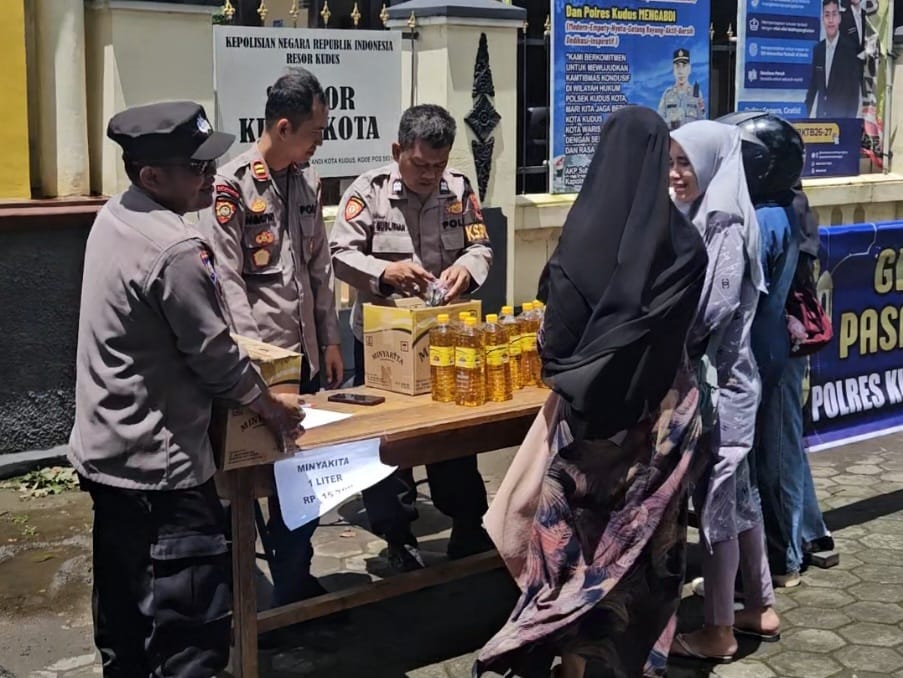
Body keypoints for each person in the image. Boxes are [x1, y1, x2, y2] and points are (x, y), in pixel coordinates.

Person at [68, 101, 305, 677]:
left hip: (109, 458)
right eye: (197, 168)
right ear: (152, 176)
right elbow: (216, 357)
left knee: (126, 626)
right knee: (189, 636)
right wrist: (269, 407)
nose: (211, 177)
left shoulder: (117, 213)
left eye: (211, 164)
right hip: (163, 473)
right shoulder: (175, 249)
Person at [474, 106, 708, 678]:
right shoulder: (687, 247)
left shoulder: (579, 242)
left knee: (575, 554)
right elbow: (688, 340)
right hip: (655, 434)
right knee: (638, 555)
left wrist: (581, 373)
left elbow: (553, 346)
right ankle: (628, 662)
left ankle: (574, 664)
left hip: (584, 436)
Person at [198, 68, 342, 607]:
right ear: (284, 128)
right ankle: (244, 591)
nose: (319, 142)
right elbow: (227, 281)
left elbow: (320, 269)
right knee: (247, 480)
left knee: (304, 476)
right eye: (315, 132)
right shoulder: (231, 187)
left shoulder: (307, 183)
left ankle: (294, 579)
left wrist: (330, 340)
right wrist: (257, 364)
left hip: (304, 359)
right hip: (257, 368)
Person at [329, 104, 494, 572]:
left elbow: (480, 245)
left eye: (438, 165)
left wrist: (467, 269)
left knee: (454, 433)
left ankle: (467, 523)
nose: (429, 175)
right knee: (387, 442)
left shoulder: (458, 189)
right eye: (420, 164)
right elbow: (340, 254)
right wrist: (385, 273)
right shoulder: (368, 191)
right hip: (384, 340)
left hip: (443, 336)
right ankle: (397, 536)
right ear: (397, 150)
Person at [668, 120, 781, 662]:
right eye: (671, 162)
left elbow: (711, 312)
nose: (675, 174)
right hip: (727, 385)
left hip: (724, 389)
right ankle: (759, 605)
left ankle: (718, 631)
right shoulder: (705, 215)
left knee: (716, 505)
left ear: (712, 164)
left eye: (685, 163)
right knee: (738, 498)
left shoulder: (724, 224)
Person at [805, 0, 861, 119]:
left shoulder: (849, 50)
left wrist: (848, 122)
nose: (830, 20)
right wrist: (805, 116)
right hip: (821, 121)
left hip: (841, 121)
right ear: (823, 19)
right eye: (827, 15)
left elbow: (854, 93)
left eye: (834, 14)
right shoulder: (818, 50)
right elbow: (813, 87)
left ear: (839, 18)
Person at [658, 48, 706, 130]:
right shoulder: (667, 94)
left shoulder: (696, 93)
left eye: (684, 66)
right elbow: (659, 121)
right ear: (673, 70)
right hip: (672, 136)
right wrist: (671, 121)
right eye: (677, 66)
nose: (681, 71)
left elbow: (702, 121)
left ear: (689, 69)